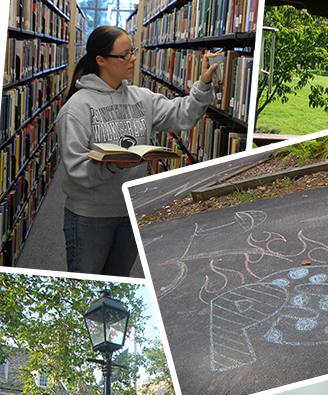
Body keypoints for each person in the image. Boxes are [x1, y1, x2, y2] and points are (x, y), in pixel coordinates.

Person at [55, 26, 219, 276]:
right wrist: (114, 165)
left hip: (131, 210)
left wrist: (203, 84)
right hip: (90, 216)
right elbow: (77, 170)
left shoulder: (142, 98)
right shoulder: (76, 109)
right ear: (101, 61)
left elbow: (182, 115)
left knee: (119, 281)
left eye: (133, 51)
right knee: (88, 284)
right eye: (125, 55)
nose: (133, 58)